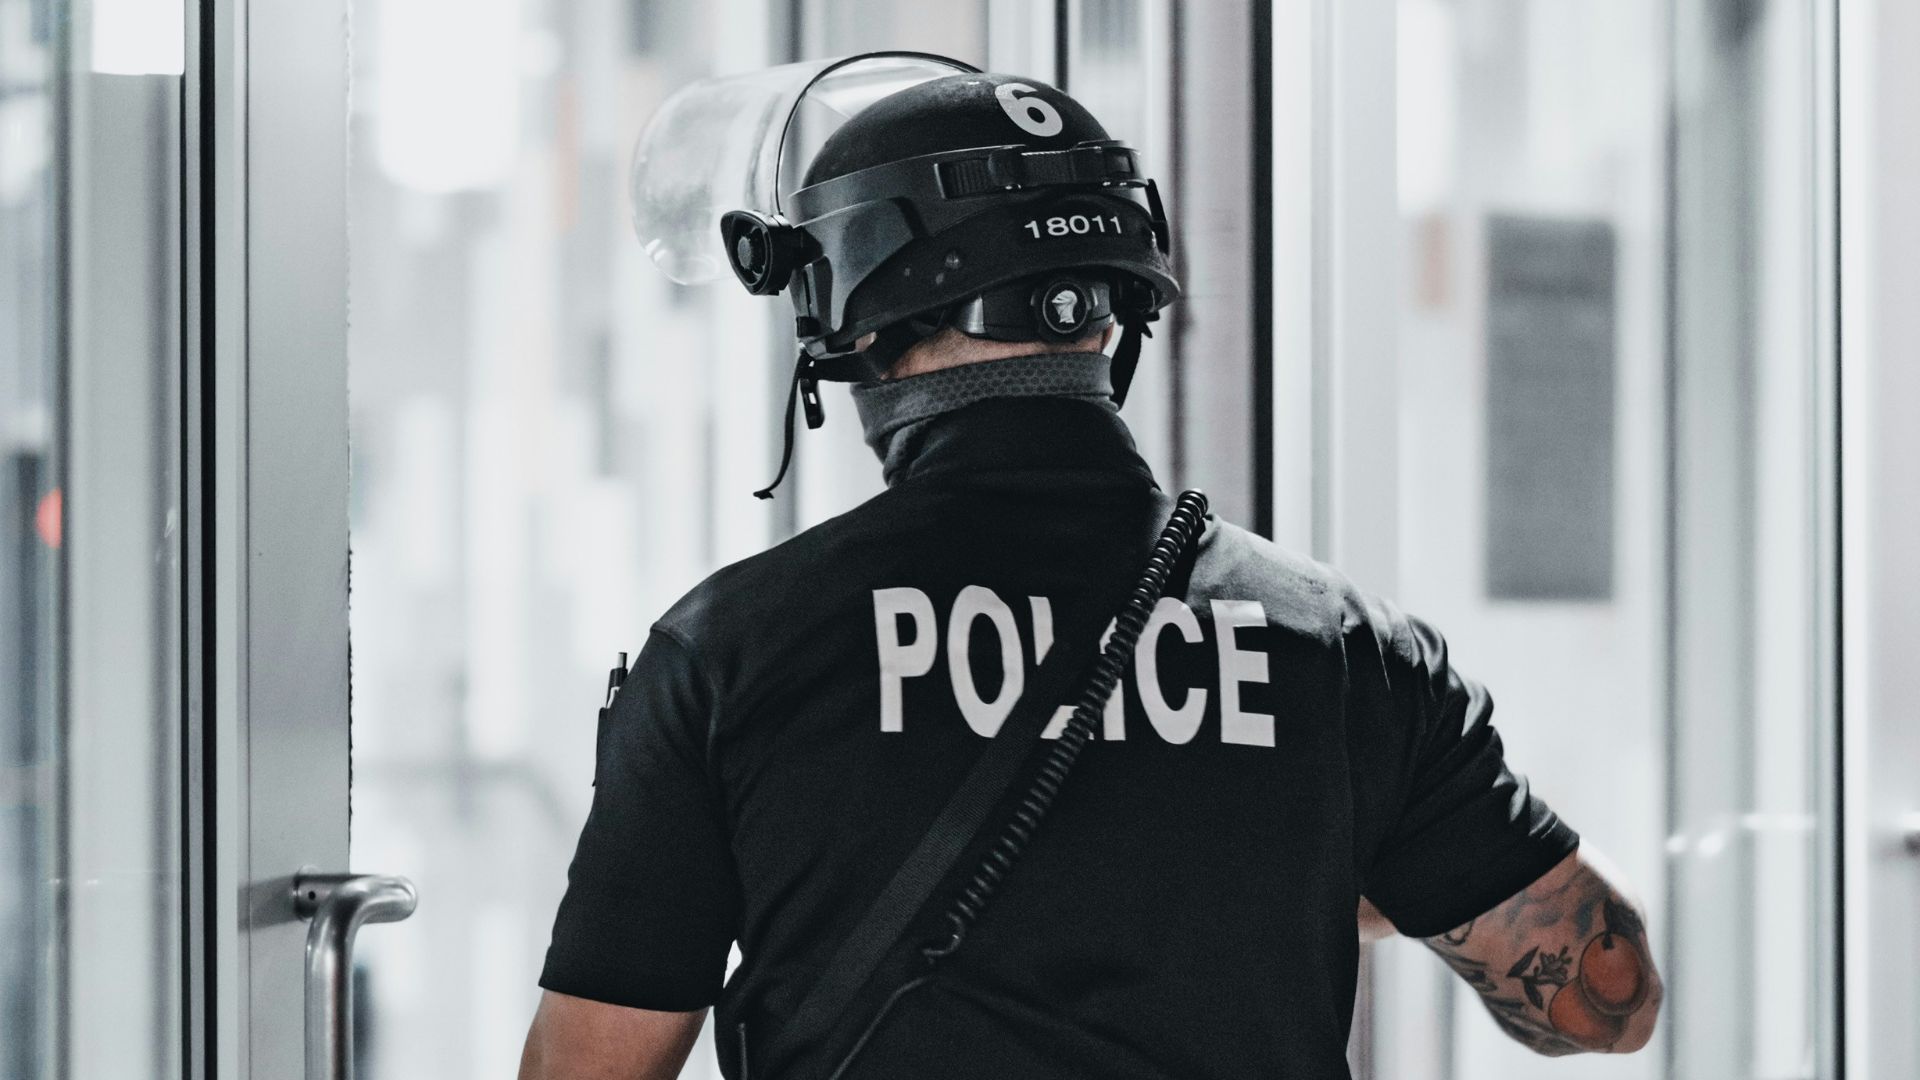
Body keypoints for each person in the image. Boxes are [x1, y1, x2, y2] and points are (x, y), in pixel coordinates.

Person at [518, 60, 1663, 1080]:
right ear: (1118, 302)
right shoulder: (1346, 649)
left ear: (845, 309)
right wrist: (1315, 858)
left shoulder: (730, 655)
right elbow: (1604, 1002)